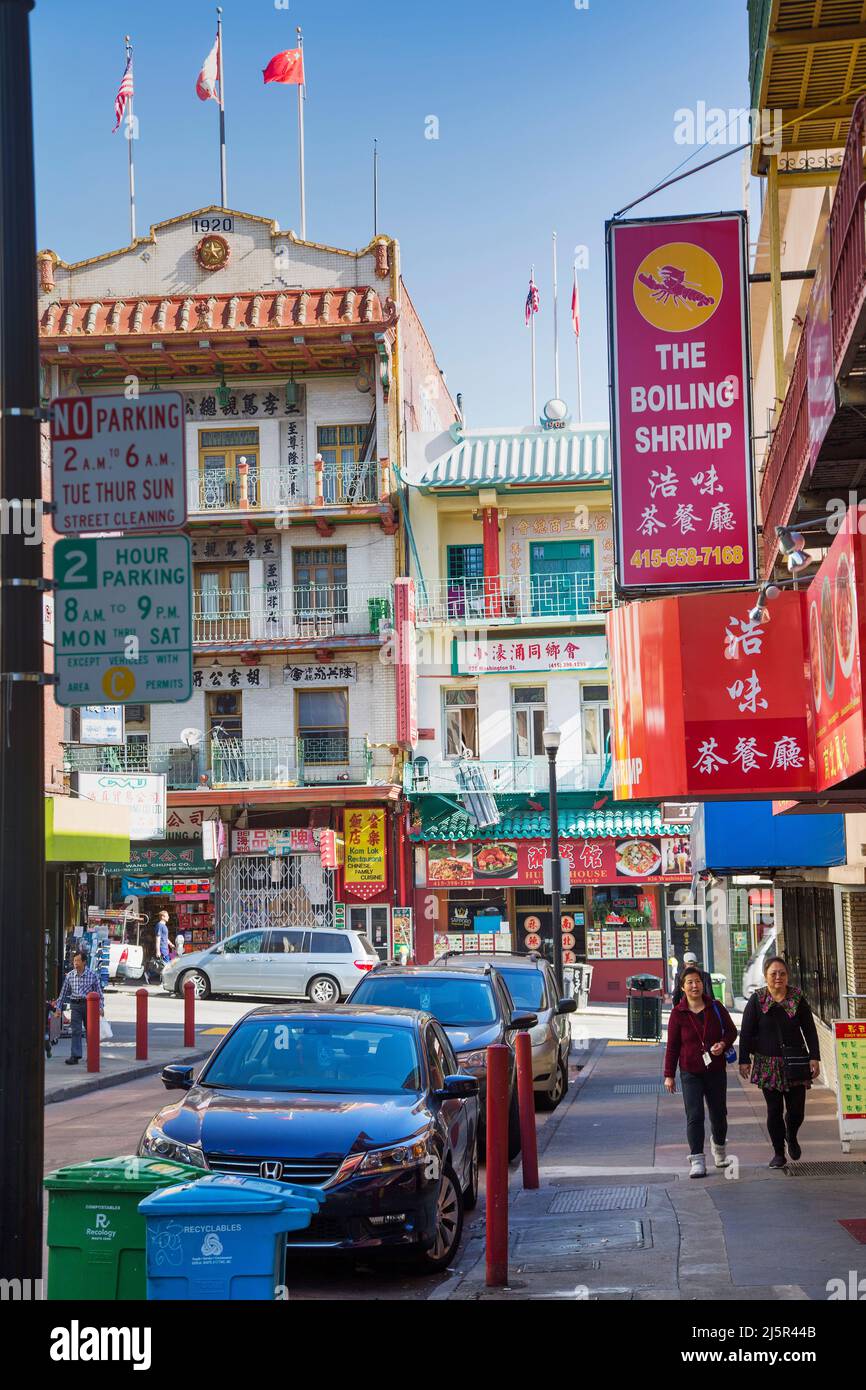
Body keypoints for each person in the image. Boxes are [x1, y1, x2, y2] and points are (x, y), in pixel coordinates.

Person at [738, 955, 820, 1168]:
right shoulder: (757, 1000)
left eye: (782, 973)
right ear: (765, 976)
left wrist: (814, 1057)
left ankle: (791, 1134)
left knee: (796, 1112)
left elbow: (809, 1030)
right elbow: (746, 1031)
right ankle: (778, 1153)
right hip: (768, 1065)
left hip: (796, 1063)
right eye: (773, 973)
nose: (778, 977)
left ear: (788, 976)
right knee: (773, 1110)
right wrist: (744, 1059)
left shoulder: (797, 998)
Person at [664, 964, 738, 1178]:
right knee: (694, 1115)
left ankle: (719, 1149)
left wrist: (722, 1044)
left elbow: (732, 1031)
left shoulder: (715, 1007)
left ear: (702, 984)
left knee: (718, 1114)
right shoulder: (678, 1013)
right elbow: (672, 1046)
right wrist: (669, 1075)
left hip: (715, 1069)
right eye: (690, 982)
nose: (694, 986)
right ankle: (697, 1159)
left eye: (697, 981)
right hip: (690, 1071)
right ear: (683, 987)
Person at [53, 948, 105, 1066]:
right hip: (75, 1004)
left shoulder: (92, 975)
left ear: (84, 962)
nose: (75, 963)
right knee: (76, 1030)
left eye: (78, 961)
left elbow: (99, 993)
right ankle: (75, 1056)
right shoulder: (70, 976)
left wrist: (101, 1007)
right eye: (74, 961)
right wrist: (58, 1008)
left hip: (89, 1006)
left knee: (90, 1031)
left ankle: (92, 1055)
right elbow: (63, 993)